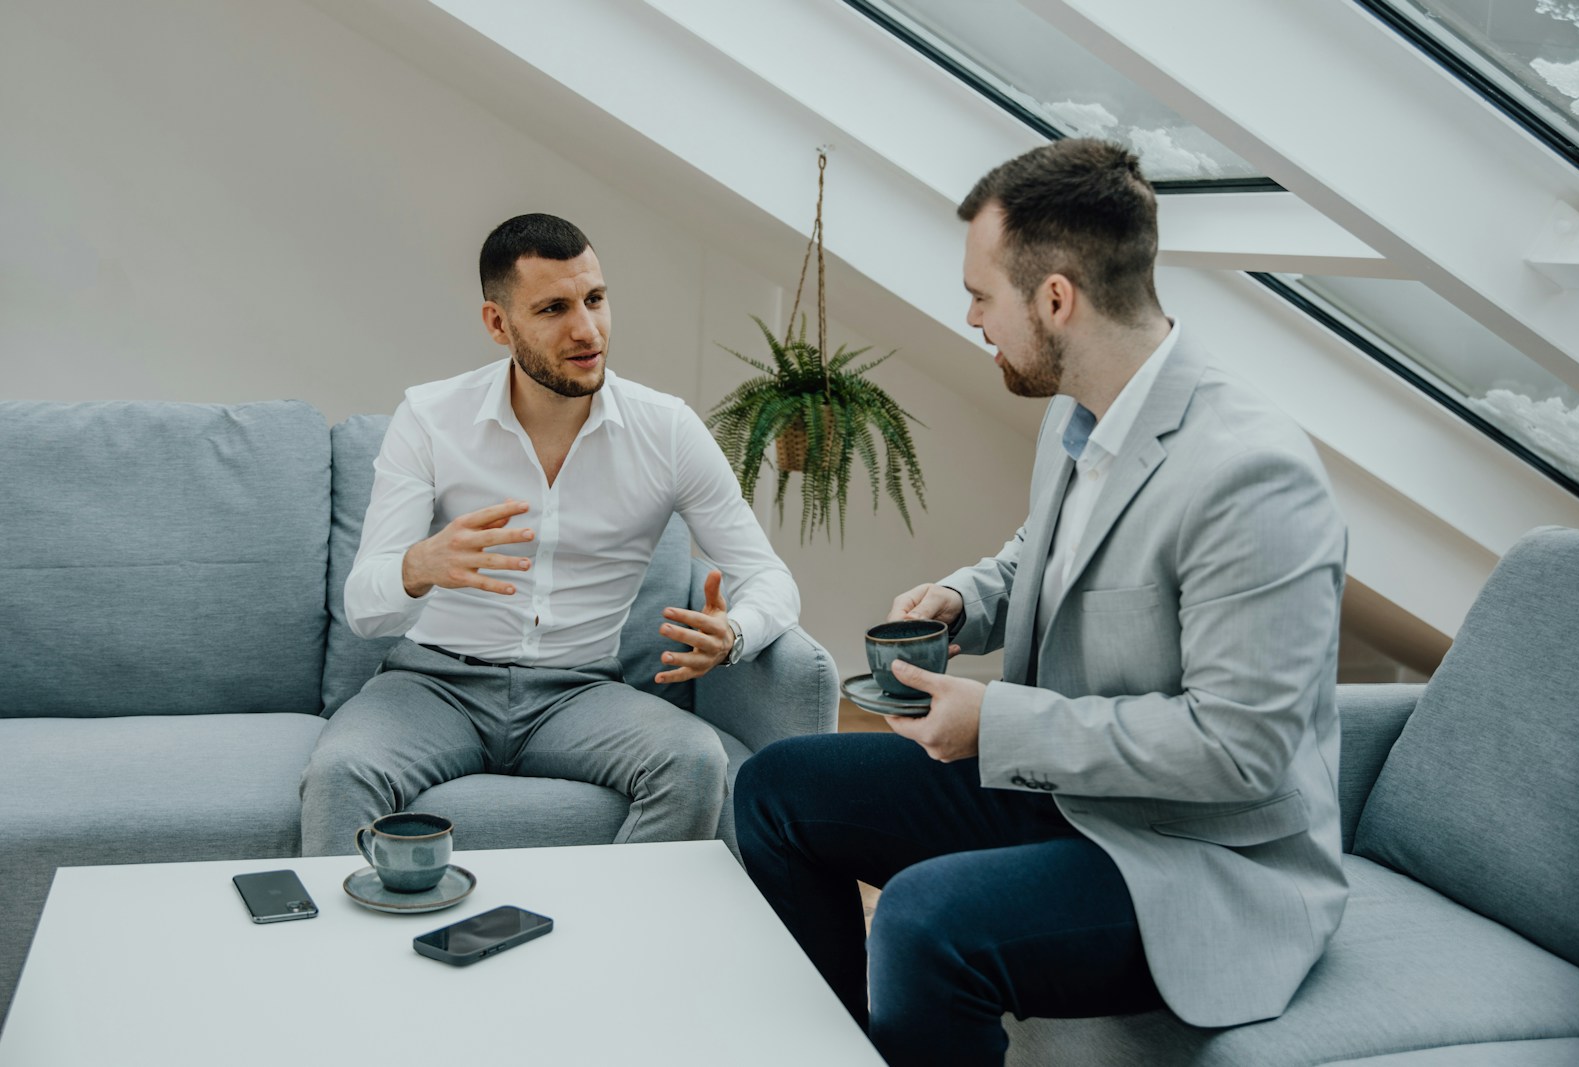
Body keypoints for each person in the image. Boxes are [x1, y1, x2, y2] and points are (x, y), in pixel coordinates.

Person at [736, 139, 1348, 1065]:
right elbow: (1045, 559)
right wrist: (961, 599)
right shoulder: (1078, 412)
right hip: (1072, 794)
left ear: (1056, 297)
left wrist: (1000, 724)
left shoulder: (1252, 475)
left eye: (983, 295)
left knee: (923, 920)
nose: (973, 316)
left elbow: (1242, 750)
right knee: (776, 789)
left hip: (1194, 858)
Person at [301, 213, 800, 856]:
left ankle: (608, 945)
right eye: (554, 308)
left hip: (580, 692)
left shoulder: (668, 431)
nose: (587, 330)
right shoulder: (430, 418)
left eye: (595, 299)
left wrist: (736, 634)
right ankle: (346, 957)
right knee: (340, 774)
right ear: (498, 324)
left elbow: (769, 576)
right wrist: (420, 565)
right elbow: (365, 609)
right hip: (433, 685)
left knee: (696, 761)